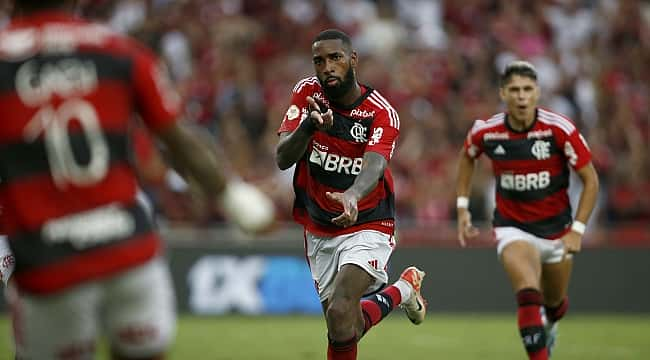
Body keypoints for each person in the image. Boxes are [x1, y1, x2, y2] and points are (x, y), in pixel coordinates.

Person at [0, 1, 274, 359]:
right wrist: (231, 196)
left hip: (47, 259)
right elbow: (179, 140)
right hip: (128, 250)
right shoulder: (118, 51)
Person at [276, 29, 427, 360]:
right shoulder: (306, 94)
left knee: (342, 311)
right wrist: (308, 127)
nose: (327, 66)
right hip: (319, 226)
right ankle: (403, 290)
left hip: (368, 219)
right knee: (343, 326)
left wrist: (354, 194)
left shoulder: (381, 112)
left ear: (352, 60)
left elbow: (374, 166)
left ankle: (400, 290)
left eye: (335, 58)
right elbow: (282, 158)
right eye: (319, 61)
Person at [456, 60, 599, 359]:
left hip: (558, 230)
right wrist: (463, 207)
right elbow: (468, 156)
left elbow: (591, 180)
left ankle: (551, 323)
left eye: (527, 90)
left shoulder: (559, 129)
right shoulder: (488, 131)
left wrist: (577, 230)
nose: (521, 96)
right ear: (503, 94)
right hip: (513, 226)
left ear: (537, 93)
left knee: (555, 305)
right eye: (515, 90)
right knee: (528, 293)